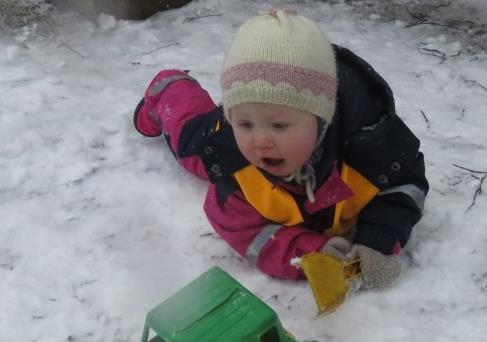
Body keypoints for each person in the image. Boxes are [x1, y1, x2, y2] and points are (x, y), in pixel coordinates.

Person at [133, 9, 428, 287]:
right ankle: (168, 88)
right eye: (245, 124)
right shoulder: (232, 164)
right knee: (190, 138)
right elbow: (249, 234)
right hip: (219, 138)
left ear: (322, 120)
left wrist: (380, 239)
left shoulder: (372, 142)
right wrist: (314, 254)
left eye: (279, 126)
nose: (260, 141)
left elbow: (406, 183)